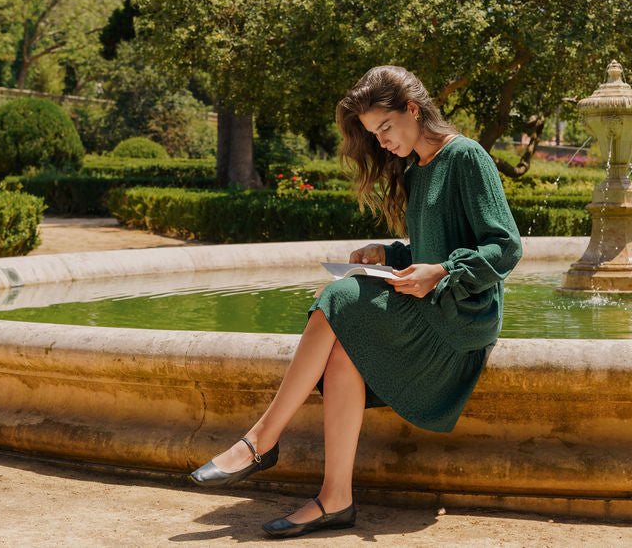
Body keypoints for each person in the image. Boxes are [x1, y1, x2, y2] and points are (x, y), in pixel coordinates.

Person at [189, 65, 523, 538]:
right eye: (374, 134)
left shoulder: (466, 155)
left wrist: (443, 271)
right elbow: (433, 248)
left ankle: (261, 440)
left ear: (413, 109)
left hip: (461, 320)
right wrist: (389, 253)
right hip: (430, 307)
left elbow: (506, 247)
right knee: (343, 352)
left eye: (385, 127)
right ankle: (335, 499)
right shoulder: (417, 169)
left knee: (340, 295)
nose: (382, 142)